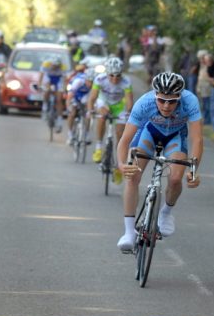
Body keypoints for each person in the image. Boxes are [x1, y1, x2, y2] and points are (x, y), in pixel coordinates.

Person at [116, 72, 203, 251]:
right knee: (132, 176)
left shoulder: (190, 101)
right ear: (155, 96)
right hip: (150, 133)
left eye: (172, 101)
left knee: (175, 178)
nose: (166, 105)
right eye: (162, 100)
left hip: (175, 136)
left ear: (180, 97)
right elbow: (125, 140)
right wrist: (121, 165)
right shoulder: (144, 102)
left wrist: (193, 171)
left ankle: (165, 213)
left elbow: (197, 139)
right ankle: (129, 232)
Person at [87, 57, 133, 185]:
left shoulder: (126, 81)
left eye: (118, 75)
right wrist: (90, 111)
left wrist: (129, 113)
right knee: (101, 116)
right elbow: (92, 98)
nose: (114, 79)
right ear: (107, 73)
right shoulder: (99, 79)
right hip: (104, 103)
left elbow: (129, 101)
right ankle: (98, 147)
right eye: (111, 75)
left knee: (120, 134)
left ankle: (119, 167)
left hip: (119, 106)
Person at [66, 68, 96, 145]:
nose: (90, 84)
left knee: (88, 113)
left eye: (92, 82)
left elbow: (94, 98)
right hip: (75, 95)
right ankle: (70, 134)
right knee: (72, 113)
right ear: (85, 79)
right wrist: (68, 107)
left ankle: (86, 134)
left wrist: (92, 109)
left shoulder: (95, 84)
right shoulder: (78, 81)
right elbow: (70, 96)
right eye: (89, 81)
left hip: (85, 96)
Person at [37, 57, 67, 133]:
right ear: (51, 64)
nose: (56, 68)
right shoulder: (46, 64)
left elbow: (64, 79)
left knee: (59, 99)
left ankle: (60, 120)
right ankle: (45, 106)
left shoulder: (63, 67)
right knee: (47, 89)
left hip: (58, 79)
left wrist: (64, 89)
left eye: (57, 66)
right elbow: (41, 76)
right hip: (48, 78)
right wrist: (39, 85)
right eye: (54, 66)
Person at [196, 50, 212, 124]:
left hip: (208, 89)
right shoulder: (202, 66)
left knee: (207, 105)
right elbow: (200, 78)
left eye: (201, 58)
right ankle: (205, 119)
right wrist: (198, 87)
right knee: (203, 105)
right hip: (202, 89)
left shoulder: (208, 66)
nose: (200, 60)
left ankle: (208, 120)